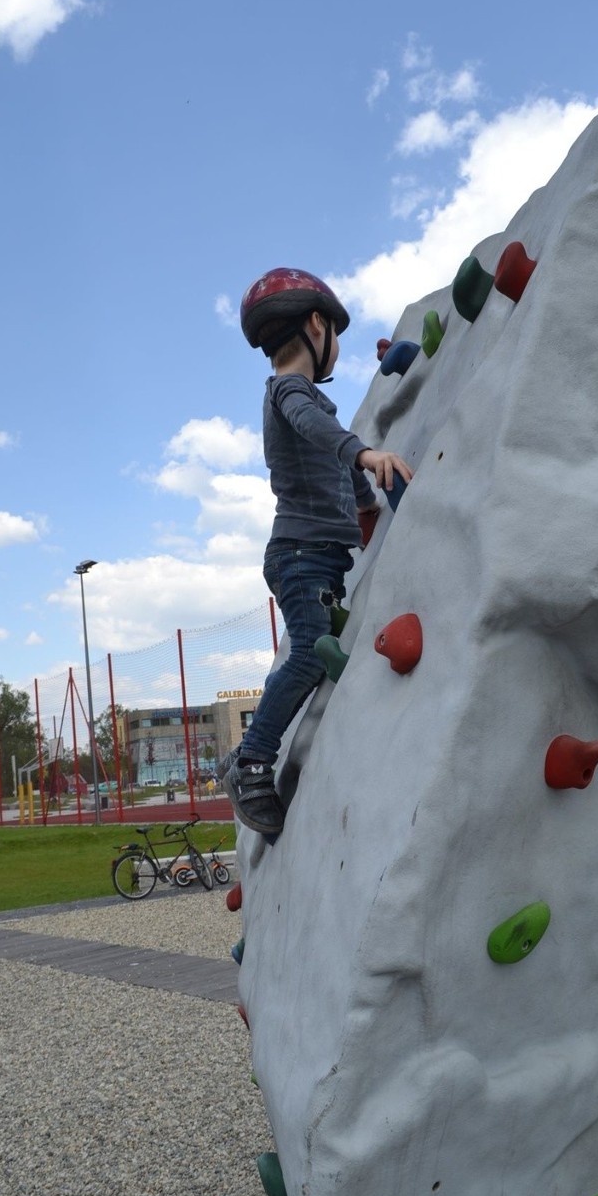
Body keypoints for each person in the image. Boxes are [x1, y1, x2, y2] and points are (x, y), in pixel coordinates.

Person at [222, 268, 413, 836]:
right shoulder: (289, 391)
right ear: (315, 325)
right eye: (334, 333)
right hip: (300, 553)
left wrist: (366, 506)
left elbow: (327, 455)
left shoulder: (313, 410)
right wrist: (365, 454)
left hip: (319, 556)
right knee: (308, 650)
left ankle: (244, 758)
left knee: (319, 648)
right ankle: (253, 763)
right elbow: (317, 432)